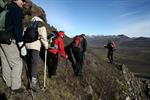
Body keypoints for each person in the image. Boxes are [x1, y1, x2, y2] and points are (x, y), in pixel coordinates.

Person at [0, 0, 27, 94]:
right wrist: (21, 44)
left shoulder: (6, 7)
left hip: (1, 38)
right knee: (17, 63)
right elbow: (17, 28)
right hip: (9, 39)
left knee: (5, 62)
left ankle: (8, 83)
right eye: (23, 1)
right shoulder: (16, 9)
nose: (23, 3)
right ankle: (15, 87)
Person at [25, 16, 48, 90]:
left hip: (26, 46)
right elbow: (43, 38)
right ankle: (33, 83)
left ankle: (29, 79)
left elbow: (24, 33)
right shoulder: (41, 25)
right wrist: (46, 46)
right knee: (34, 64)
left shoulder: (29, 23)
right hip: (35, 46)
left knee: (29, 63)